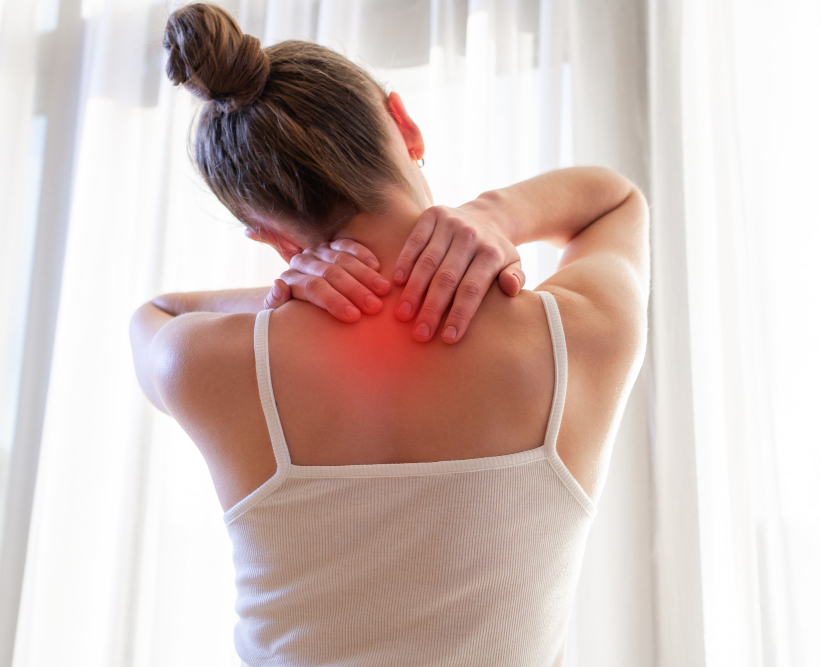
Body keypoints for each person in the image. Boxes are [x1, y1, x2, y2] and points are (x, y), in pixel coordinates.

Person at [129, 4, 648, 665]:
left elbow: (153, 313)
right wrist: (498, 213)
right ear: (404, 122)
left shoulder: (209, 365)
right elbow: (617, 199)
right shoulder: (577, 337)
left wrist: (275, 297)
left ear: (270, 236)